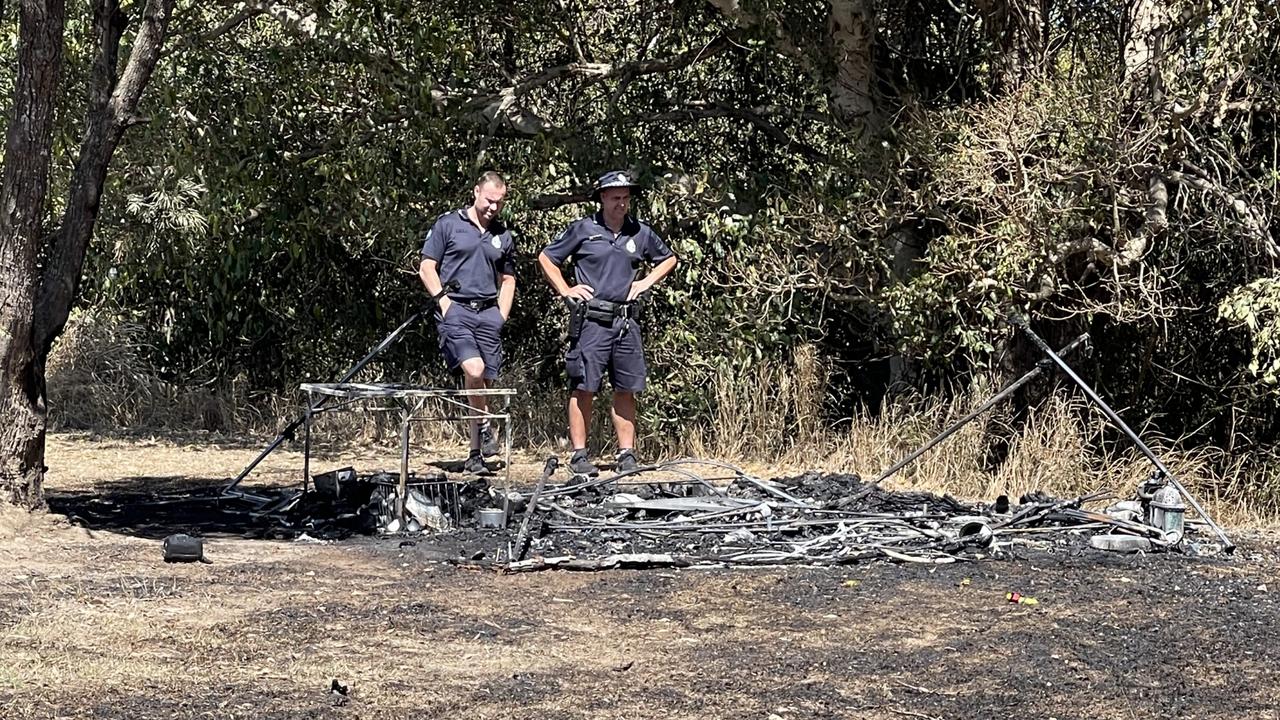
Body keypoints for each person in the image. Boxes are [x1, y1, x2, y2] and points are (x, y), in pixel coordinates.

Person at [538, 170, 678, 476]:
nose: (621, 204)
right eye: (616, 198)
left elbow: (668, 259)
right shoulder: (583, 229)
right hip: (592, 321)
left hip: (626, 322)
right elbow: (547, 258)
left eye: (626, 198)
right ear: (602, 197)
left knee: (626, 388)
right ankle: (579, 455)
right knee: (584, 386)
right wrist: (566, 290)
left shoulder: (638, 232)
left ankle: (626, 454)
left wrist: (645, 282)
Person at [418, 171, 516, 474]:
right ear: (476, 192)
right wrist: (444, 304)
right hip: (456, 309)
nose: (493, 208)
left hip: (488, 312)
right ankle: (486, 424)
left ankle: (475, 454)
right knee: (474, 369)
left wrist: (501, 314)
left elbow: (509, 279)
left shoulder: (503, 235)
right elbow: (426, 268)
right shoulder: (448, 224)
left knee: (483, 384)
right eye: (489, 200)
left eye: (499, 203)